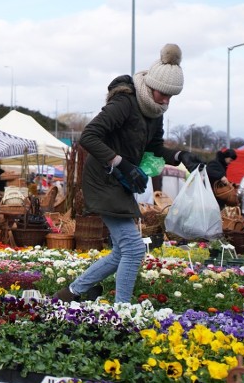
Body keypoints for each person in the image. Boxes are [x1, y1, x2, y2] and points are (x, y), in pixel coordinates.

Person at [53, 44, 203, 304]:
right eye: (163, 94)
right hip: (102, 179)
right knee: (133, 249)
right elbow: (88, 137)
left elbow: (155, 149)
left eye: (171, 96)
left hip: (122, 181)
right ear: (152, 85)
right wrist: (120, 162)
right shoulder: (125, 103)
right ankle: (122, 311)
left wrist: (180, 157)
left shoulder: (155, 113)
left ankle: (70, 294)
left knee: (123, 250)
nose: (166, 100)